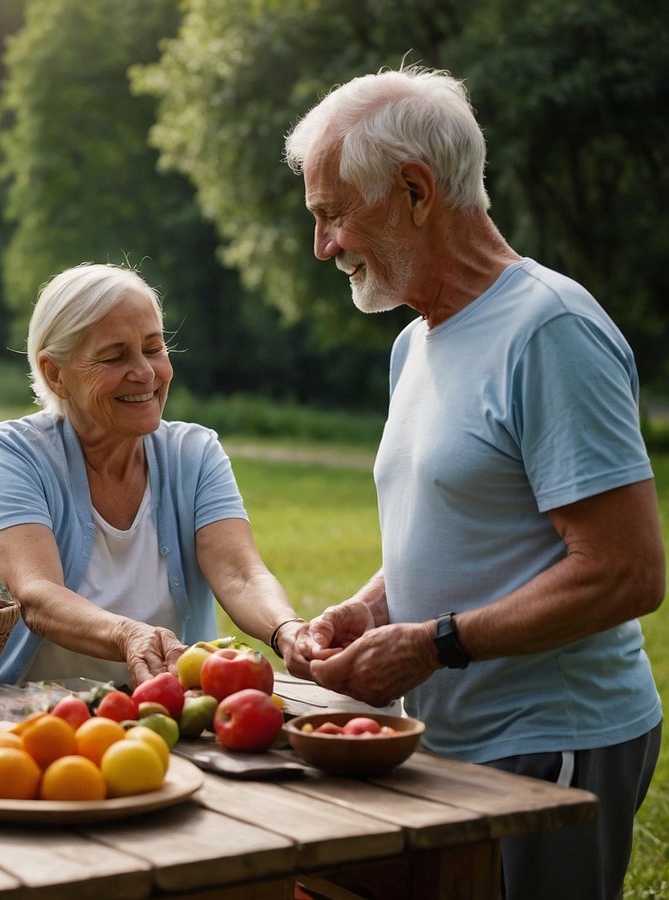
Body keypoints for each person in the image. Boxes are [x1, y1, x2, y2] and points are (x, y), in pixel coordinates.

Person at [278, 66, 663, 900]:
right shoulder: (415, 342)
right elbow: (468, 519)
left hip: (552, 741)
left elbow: (626, 572)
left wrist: (431, 644)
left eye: (333, 215)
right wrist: (373, 609)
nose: (324, 247)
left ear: (415, 191)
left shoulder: (549, 330)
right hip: (449, 736)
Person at [0, 262, 301, 689]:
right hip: (21, 725)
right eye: (115, 356)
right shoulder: (10, 453)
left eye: (154, 348)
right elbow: (37, 595)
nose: (145, 372)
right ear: (55, 374)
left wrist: (289, 630)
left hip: (164, 718)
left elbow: (241, 575)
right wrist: (128, 634)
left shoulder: (194, 454)